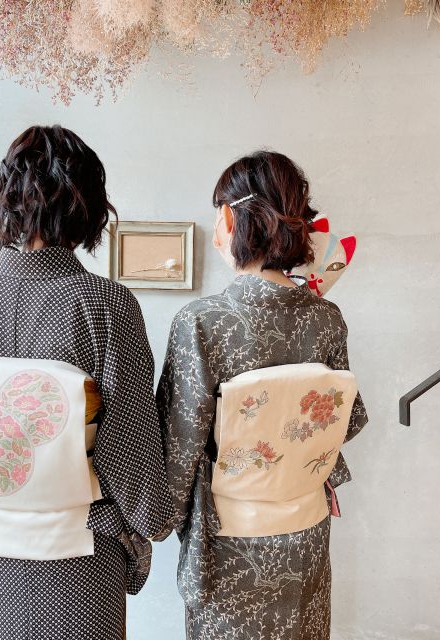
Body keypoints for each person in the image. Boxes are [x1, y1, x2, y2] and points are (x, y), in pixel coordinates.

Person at [0, 124, 173, 640]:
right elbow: (129, 437)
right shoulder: (105, 302)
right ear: (88, 206)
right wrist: (152, 520)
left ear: (7, 202)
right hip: (78, 548)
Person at [156, 150, 368, 640]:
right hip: (306, 530)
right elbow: (348, 419)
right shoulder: (325, 318)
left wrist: (159, 523)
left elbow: (179, 448)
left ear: (231, 220)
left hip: (231, 541)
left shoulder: (202, 322)